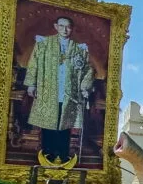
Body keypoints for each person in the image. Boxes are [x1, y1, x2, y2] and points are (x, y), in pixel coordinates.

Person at [23, 16, 93, 162]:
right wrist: (31, 83)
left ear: (72, 28)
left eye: (68, 27)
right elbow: (34, 62)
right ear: (56, 26)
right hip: (48, 90)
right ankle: (47, 154)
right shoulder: (44, 43)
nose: (65, 30)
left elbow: (87, 69)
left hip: (68, 93)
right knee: (49, 124)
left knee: (64, 125)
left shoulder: (79, 49)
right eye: (61, 26)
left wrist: (84, 87)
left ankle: (62, 155)